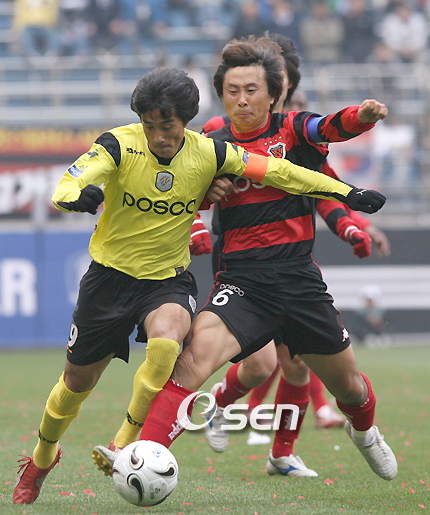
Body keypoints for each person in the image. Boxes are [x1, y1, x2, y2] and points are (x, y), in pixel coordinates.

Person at [13, 66, 380, 505]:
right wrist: (75, 197)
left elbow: (282, 172)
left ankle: (125, 444)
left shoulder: (211, 152)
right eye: (149, 126)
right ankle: (42, 458)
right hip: (109, 279)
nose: (158, 136)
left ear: (185, 120)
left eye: (166, 126)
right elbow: (69, 181)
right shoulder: (118, 144)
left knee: (168, 342)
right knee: (75, 384)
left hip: (167, 280)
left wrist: (346, 193)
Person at [93, 37, 395, 484]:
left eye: (252, 90)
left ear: (273, 94)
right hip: (243, 282)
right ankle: (140, 455)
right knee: (190, 363)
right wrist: (205, 201)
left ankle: (365, 433)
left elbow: (329, 127)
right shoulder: (209, 145)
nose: (242, 99)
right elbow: (180, 195)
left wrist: (361, 118)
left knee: (349, 386)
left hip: (298, 281)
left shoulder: (293, 129)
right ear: (222, 96)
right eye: (232, 91)